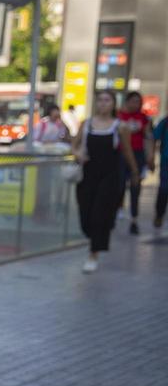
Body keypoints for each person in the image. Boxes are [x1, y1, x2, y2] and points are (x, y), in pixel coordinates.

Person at [73, 90, 139, 272]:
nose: (103, 103)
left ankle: (94, 253)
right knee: (85, 215)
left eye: (107, 100)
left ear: (113, 104)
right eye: (100, 100)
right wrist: (78, 153)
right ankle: (95, 236)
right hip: (87, 175)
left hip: (109, 177)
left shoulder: (120, 126)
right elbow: (74, 144)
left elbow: (127, 151)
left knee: (99, 214)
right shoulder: (86, 124)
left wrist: (134, 172)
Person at [117, 91, 151, 234]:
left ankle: (134, 218)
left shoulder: (144, 118)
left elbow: (148, 138)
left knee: (135, 187)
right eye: (133, 101)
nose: (136, 104)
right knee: (119, 184)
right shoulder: (119, 116)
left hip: (138, 155)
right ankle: (118, 209)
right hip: (121, 154)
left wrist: (150, 157)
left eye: (138, 102)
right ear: (127, 101)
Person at [152, 113, 167, 230]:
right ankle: (159, 215)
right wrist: (151, 157)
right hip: (166, 162)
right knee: (163, 189)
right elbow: (154, 137)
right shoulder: (165, 121)